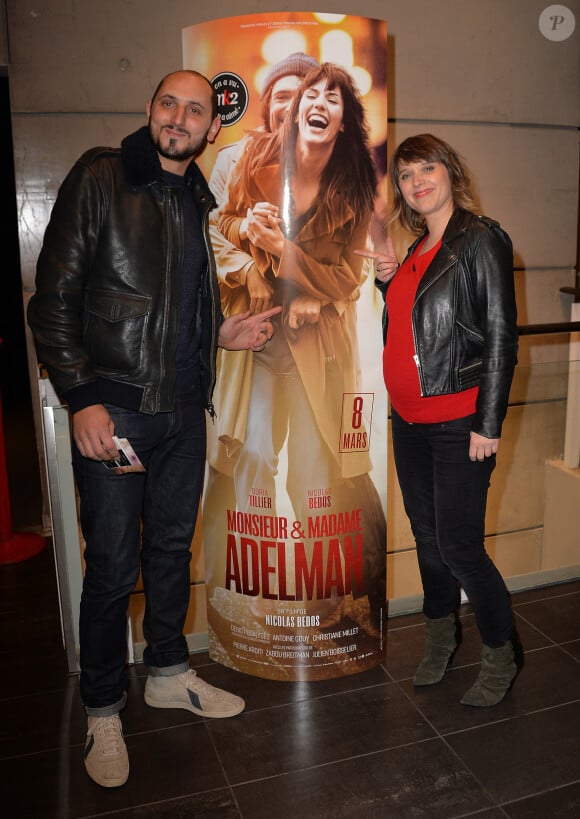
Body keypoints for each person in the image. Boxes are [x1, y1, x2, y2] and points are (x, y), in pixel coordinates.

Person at [27, 69, 280, 789]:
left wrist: (220, 337)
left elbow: (172, 311)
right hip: (118, 411)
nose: (179, 117)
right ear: (150, 111)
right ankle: (103, 704)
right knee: (112, 566)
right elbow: (54, 301)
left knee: (171, 551)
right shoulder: (104, 177)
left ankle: (168, 669)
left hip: (181, 413)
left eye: (194, 110)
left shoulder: (196, 199)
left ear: (210, 128)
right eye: (169, 103)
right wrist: (83, 397)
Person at [207, 62, 386, 634]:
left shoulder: (354, 183)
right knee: (254, 450)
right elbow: (220, 223)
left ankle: (322, 593)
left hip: (318, 349)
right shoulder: (250, 158)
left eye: (331, 98)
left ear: (343, 120)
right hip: (257, 337)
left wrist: (297, 272)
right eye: (304, 95)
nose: (309, 104)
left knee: (313, 469)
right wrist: (246, 246)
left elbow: (347, 276)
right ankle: (256, 588)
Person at [372, 133, 520, 707]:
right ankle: (441, 639)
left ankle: (502, 652)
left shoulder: (479, 240)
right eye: (407, 176)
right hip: (409, 422)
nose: (417, 182)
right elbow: (418, 330)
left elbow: (501, 335)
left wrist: (489, 421)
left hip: (461, 423)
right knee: (429, 541)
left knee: (460, 547)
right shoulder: (416, 252)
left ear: (450, 172)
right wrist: (389, 282)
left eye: (426, 168)